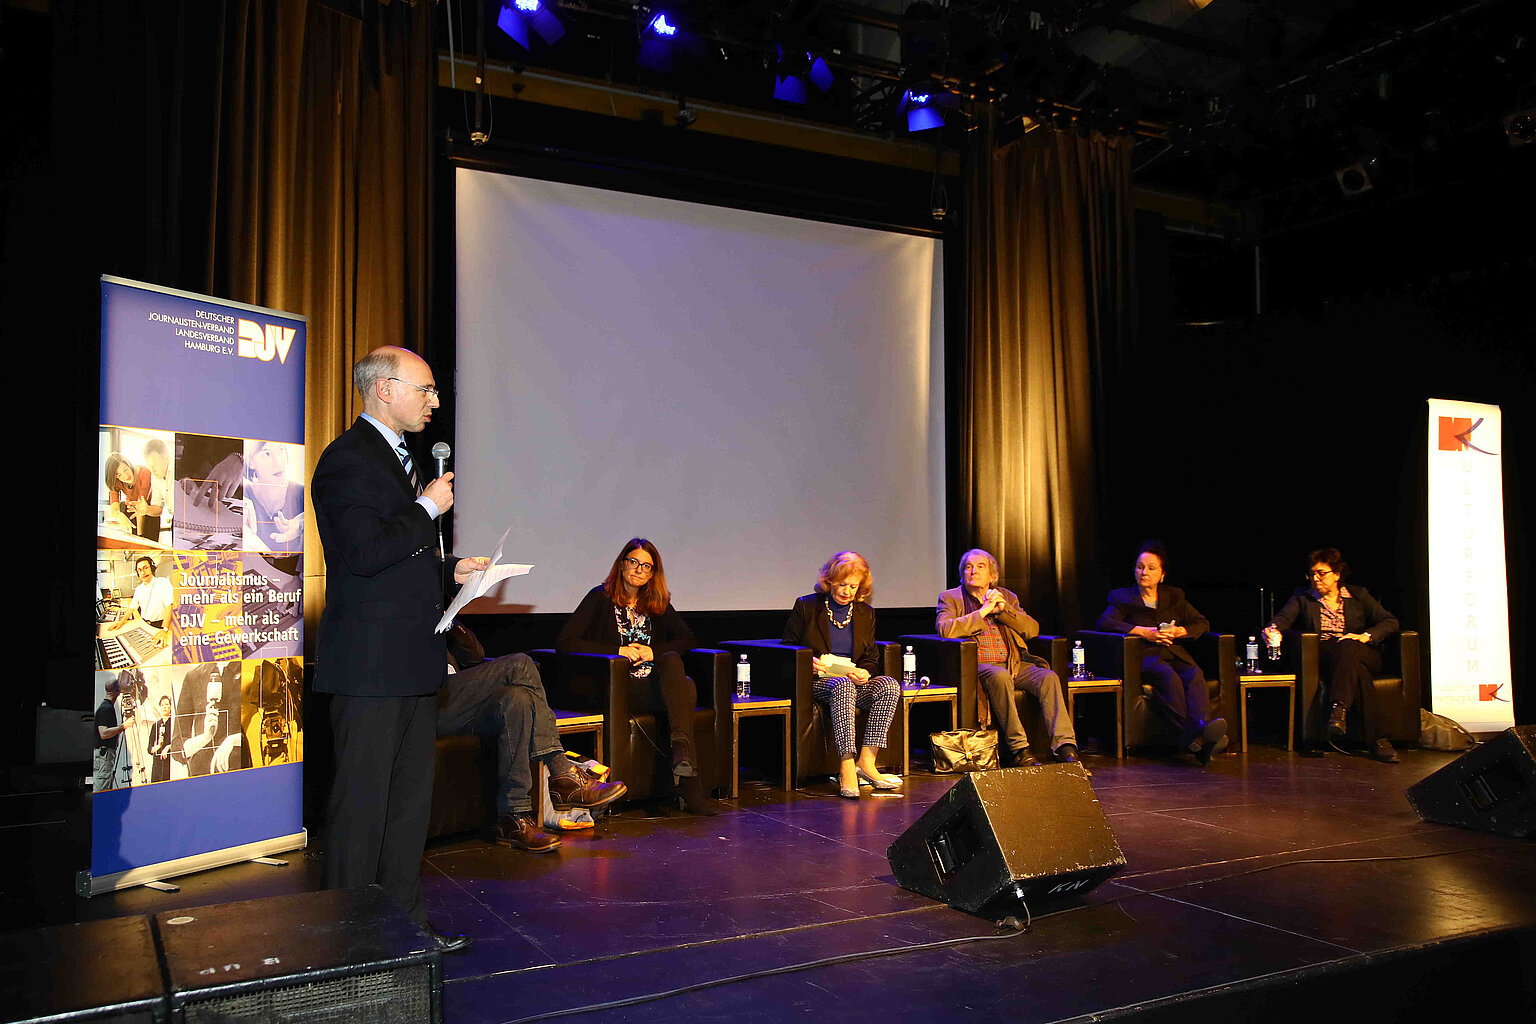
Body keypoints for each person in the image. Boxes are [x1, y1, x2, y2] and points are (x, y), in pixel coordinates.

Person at [311, 345, 489, 953]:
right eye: (427, 390)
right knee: (362, 808)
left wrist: (450, 572)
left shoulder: (401, 460)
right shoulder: (347, 460)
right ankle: (349, 935)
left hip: (411, 661)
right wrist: (425, 508)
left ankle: (405, 924)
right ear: (385, 389)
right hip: (368, 666)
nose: (435, 402)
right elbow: (360, 554)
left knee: (409, 808)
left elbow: (398, 558)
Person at [556, 538, 726, 814]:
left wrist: (652, 652)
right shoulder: (600, 598)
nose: (638, 570)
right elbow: (566, 643)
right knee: (686, 689)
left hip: (651, 686)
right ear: (622, 564)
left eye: (646, 567)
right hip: (616, 687)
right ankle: (688, 784)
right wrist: (618, 650)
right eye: (633, 562)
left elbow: (687, 638)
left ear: (652, 574)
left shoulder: (654, 603)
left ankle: (681, 750)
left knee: (671, 661)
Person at [439, 621, 628, 852]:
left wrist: (452, 622)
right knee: (520, 663)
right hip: (430, 701)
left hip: (459, 704)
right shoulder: (406, 610)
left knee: (517, 699)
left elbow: (476, 657)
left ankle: (513, 817)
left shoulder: (441, 614)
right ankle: (562, 773)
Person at [936, 549, 1081, 769]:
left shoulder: (1007, 596)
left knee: (1048, 677)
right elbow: (945, 629)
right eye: (968, 567)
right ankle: (1020, 749)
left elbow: (1032, 629)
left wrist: (1004, 611)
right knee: (1000, 676)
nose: (973, 571)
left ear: (992, 576)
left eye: (980, 566)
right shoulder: (951, 597)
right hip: (978, 666)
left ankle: (1065, 747)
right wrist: (983, 612)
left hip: (1014, 663)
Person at [782, 551, 903, 798]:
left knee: (889, 685)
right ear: (829, 582)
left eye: (852, 586)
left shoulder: (865, 613)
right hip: (817, 681)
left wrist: (865, 672)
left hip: (850, 681)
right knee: (842, 686)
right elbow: (788, 647)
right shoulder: (806, 606)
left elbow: (870, 656)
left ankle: (867, 763)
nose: (846, 591)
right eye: (841, 584)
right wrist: (809, 662)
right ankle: (847, 763)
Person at [1262, 548, 1401, 763]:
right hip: (1326, 654)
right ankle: (1377, 740)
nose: (1315, 579)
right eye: (1312, 574)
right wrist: (1273, 630)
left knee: (1348, 645)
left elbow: (1390, 622)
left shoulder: (1358, 595)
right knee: (1357, 670)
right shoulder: (1303, 597)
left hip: (1362, 651)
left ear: (1336, 574)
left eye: (1321, 573)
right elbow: (1281, 620)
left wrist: (1366, 635)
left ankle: (1338, 709)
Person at [1097, 541, 1227, 765]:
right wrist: (1142, 632)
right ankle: (1195, 740)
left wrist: (1180, 631)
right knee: (1169, 678)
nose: (1143, 572)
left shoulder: (1174, 596)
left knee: (1194, 674)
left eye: (1150, 568)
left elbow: (1201, 622)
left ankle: (1202, 735)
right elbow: (1105, 623)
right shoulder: (1122, 597)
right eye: (1139, 567)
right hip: (1144, 656)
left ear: (1162, 574)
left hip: (1173, 652)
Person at [243, 441, 305, 552]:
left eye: (280, 450)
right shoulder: (241, 496)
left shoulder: (304, 495)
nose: (278, 462)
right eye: (267, 454)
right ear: (250, 461)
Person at [106, 555, 172, 651]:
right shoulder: (138, 589)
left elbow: (169, 606)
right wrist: (121, 622)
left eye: (146, 568)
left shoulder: (162, 582)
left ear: (152, 568)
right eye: (140, 570)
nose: (143, 572)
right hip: (144, 624)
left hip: (160, 626)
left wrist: (164, 630)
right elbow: (132, 607)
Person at [94, 672, 133, 792]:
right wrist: (123, 726)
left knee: (105, 786)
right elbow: (104, 733)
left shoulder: (106, 707)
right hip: (104, 755)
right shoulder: (106, 709)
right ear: (117, 690)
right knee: (102, 788)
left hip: (105, 754)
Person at [104, 452, 153, 536]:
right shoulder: (116, 482)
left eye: (125, 469)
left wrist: (139, 536)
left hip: (149, 510)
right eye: (119, 475)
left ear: (129, 464)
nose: (126, 476)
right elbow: (114, 509)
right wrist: (119, 516)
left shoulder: (144, 472)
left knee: (147, 543)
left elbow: (140, 506)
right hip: (131, 511)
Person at [148, 694, 174, 782]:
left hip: (169, 761)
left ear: (171, 707)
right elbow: (149, 749)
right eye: (162, 705)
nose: (164, 707)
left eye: (166, 704)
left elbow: (178, 742)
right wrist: (159, 746)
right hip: (157, 763)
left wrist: (168, 747)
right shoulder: (156, 725)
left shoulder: (173, 723)